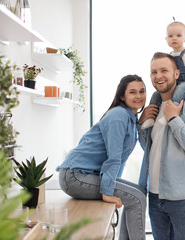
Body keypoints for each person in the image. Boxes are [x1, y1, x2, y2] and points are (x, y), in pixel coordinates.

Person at [56, 74, 147, 240]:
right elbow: (113, 158)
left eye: (142, 91)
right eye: (133, 92)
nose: (139, 96)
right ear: (122, 95)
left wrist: (114, 186)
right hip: (74, 176)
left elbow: (120, 159)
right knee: (137, 198)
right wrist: (107, 191)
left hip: (86, 175)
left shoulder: (130, 118)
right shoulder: (119, 115)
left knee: (139, 192)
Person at [138, 52, 185, 240]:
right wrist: (142, 124)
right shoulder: (155, 106)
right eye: (153, 72)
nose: (158, 76)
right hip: (155, 196)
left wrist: (174, 119)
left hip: (184, 197)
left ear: (177, 74)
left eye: (164, 70)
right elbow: (150, 149)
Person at [141, 20, 185, 129]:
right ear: (166, 39)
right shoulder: (170, 55)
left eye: (178, 35)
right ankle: (150, 119)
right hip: (175, 83)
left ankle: (170, 112)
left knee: (180, 89)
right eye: (170, 36)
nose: (174, 38)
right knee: (155, 94)